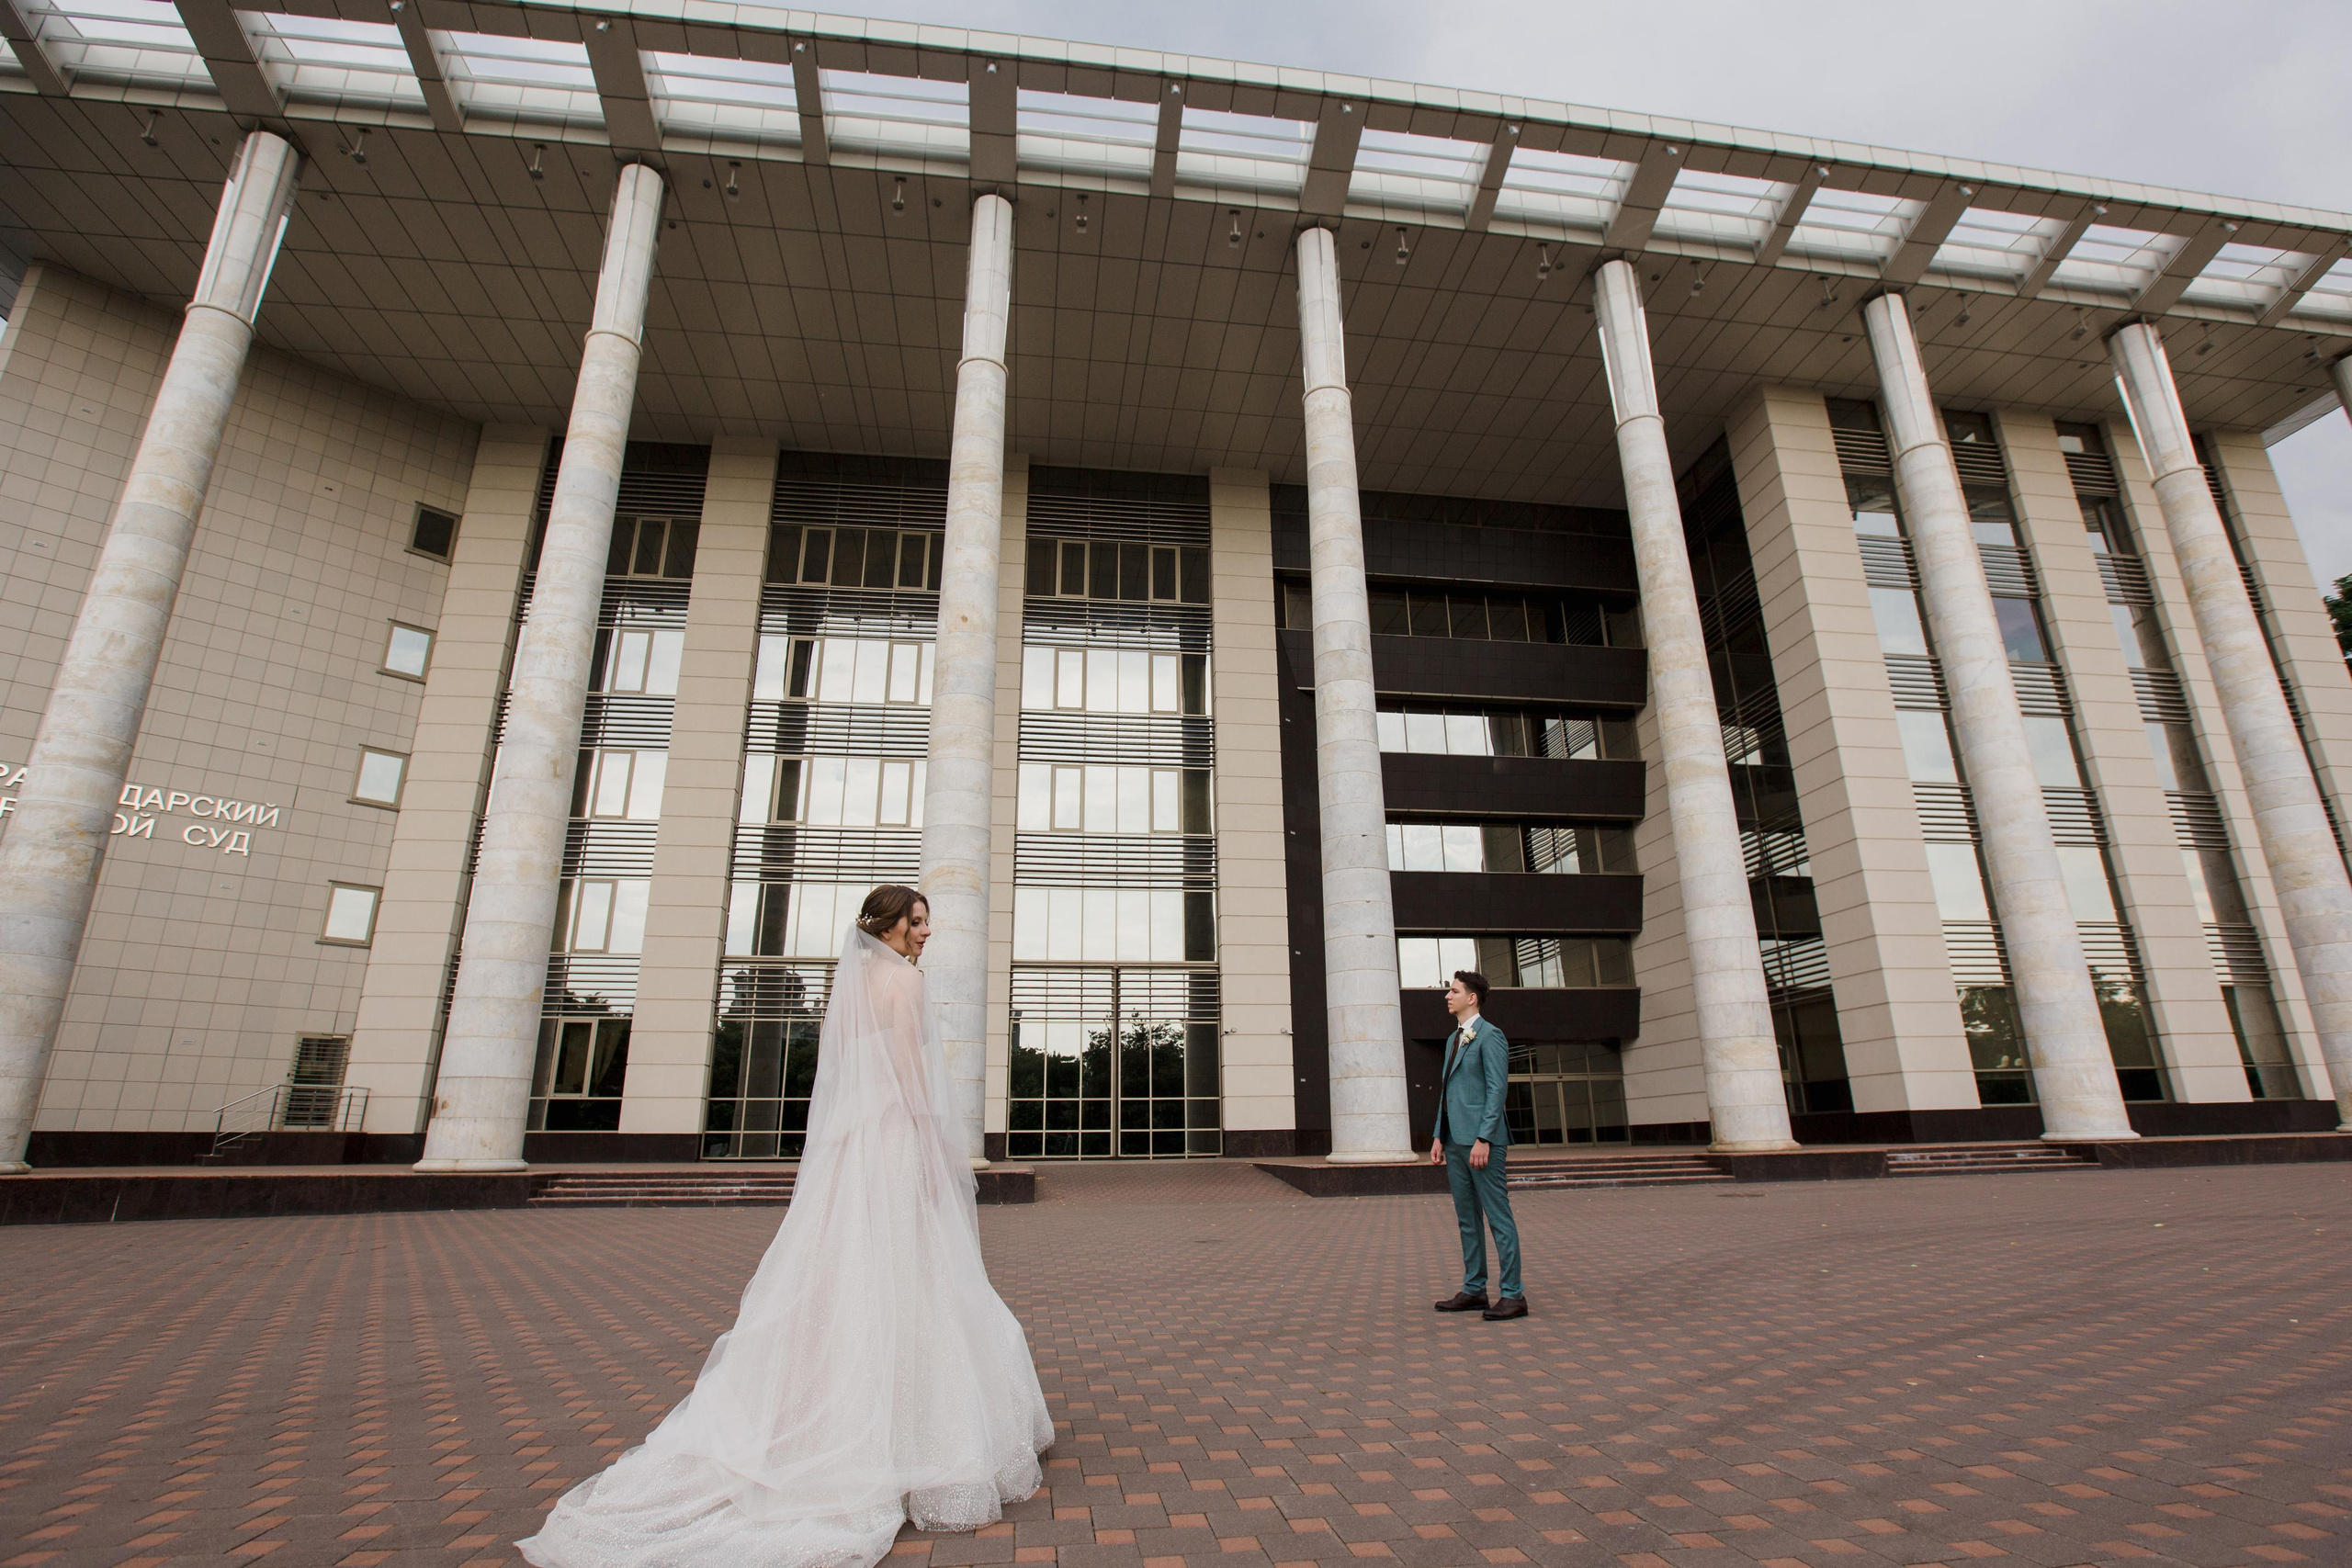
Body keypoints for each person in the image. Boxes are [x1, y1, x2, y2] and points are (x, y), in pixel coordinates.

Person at [519, 885, 1054, 1568]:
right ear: (887, 927)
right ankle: (905, 1431)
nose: (926, 933)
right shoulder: (905, 987)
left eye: (927, 923)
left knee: (846, 1266)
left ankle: (830, 1405)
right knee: (910, 1267)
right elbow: (914, 1080)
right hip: (891, 1142)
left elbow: (849, 1079)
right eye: (917, 922)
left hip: (850, 1149)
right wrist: (932, 1154)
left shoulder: (854, 986)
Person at [1428, 970, 1527, 1321]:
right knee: (1467, 1220)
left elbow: (1497, 1090)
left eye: (1453, 991)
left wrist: (1485, 1137)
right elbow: (1447, 1092)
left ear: (1472, 998)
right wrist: (1440, 1135)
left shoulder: (1491, 1036)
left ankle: (1513, 1295)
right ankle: (1474, 1289)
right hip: (1454, 1142)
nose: (1446, 996)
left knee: (1498, 1218)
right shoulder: (1453, 1039)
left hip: (1483, 1143)